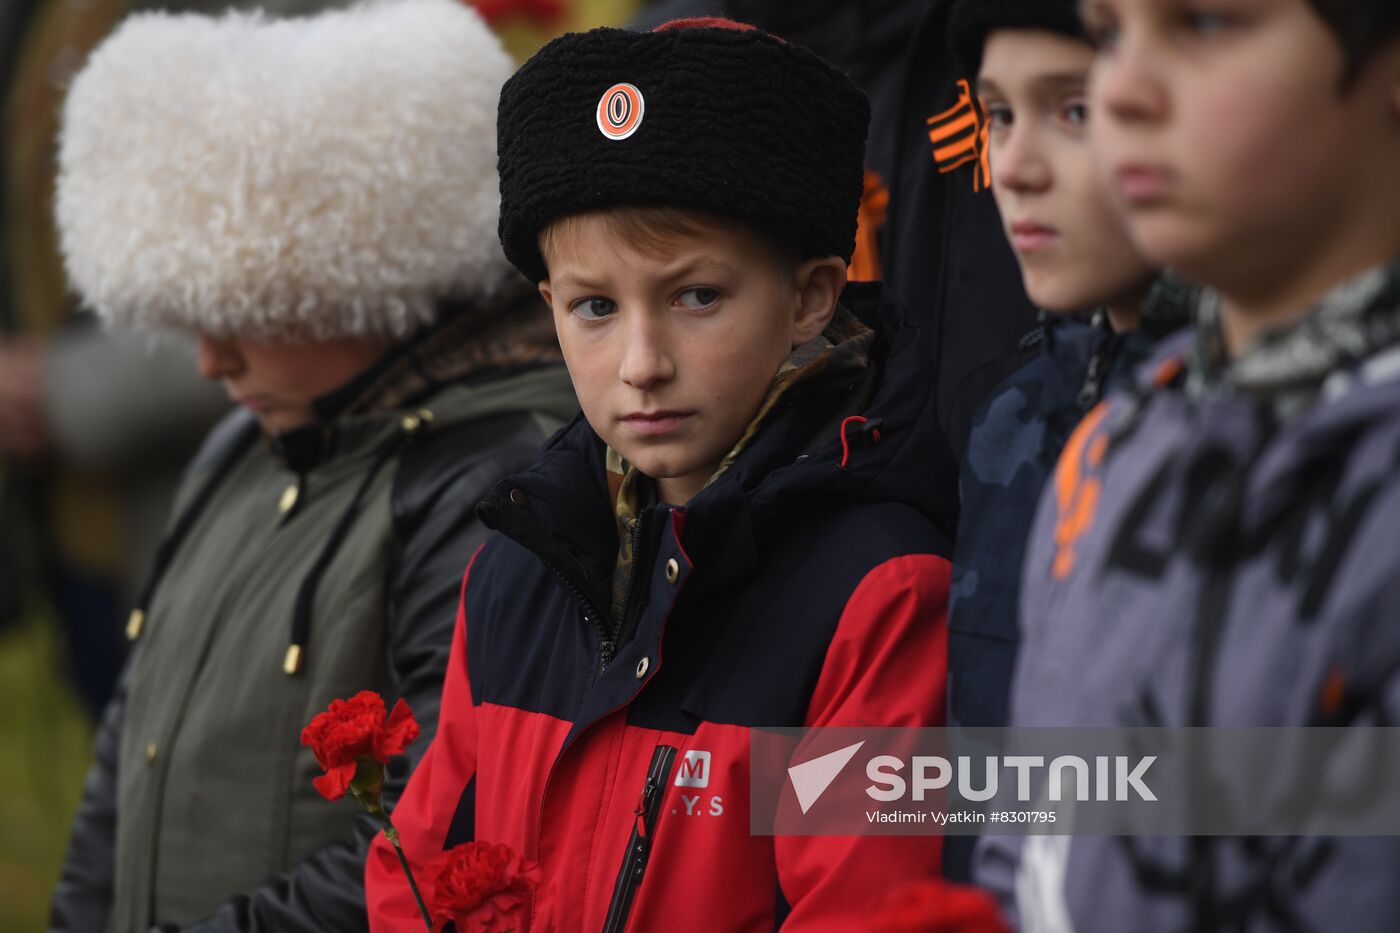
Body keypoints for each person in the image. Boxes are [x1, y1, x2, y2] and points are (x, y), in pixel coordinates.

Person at [367, 18, 951, 932]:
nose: (641, 362)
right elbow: (419, 879)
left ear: (809, 297)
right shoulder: (514, 572)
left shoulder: (878, 596)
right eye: (595, 307)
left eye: (696, 296)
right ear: (547, 308)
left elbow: (867, 910)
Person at [49, 2, 578, 930]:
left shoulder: (486, 485)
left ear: (366, 276)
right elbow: (125, 765)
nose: (211, 362)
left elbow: (444, 841)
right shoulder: (239, 448)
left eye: (245, 310)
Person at [977, 0, 1400, 928]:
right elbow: (1031, 840)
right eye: (1113, 32)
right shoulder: (1117, 446)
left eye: (1205, 24)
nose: (1122, 88)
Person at [943, 0, 1191, 734]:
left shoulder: (1274, 424)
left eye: (1075, 111)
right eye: (1000, 114)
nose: (1013, 167)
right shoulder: (1008, 417)